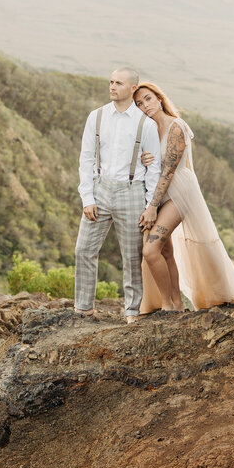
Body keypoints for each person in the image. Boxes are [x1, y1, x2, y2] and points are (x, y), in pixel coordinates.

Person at [134, 82, 234, 313]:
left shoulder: (176, 126)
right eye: (139, 103)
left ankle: (169, 305)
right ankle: (175, 304)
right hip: (157, 192)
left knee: (150, 251)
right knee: (166, 251)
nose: (145, 106)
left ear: (159, 99)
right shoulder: (147, 131)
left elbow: (169, 170)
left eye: (148, 99)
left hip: (178, 191)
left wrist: (151, 207)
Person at [75, 67, 161, 324]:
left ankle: (132, 311)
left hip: (132, 191)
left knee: (132, 256)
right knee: (84, 250)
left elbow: (154, 167)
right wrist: (87, 197)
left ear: (132, 88)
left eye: (119, 83)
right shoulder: (97, 116)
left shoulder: (145, 124)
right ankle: (83, 308)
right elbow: (86, 158)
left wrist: (150, 205)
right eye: (111, 82)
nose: (112, 87)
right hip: (100, 188)